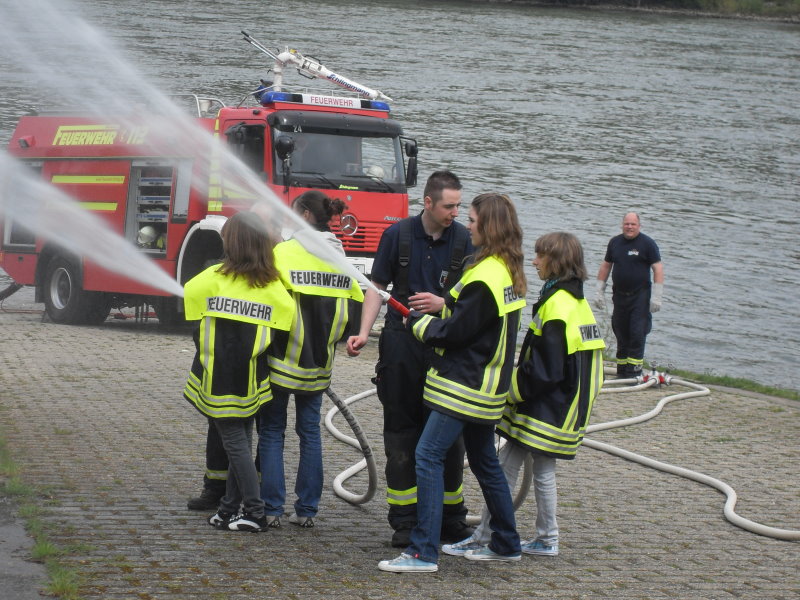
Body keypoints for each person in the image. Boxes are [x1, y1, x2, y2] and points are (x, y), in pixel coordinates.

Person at [378, 192, 527, 573]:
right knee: (484, 461)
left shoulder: (484, 277)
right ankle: (506, 542)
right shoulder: (504, 271)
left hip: (463, 388)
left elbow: (458, 332)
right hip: (489, 390)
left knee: (427, 455)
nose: (468, 224)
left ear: (489, 226)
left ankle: (423, 551)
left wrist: (419, 324)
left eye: (474, 219)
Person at [443, 232, 605, 559]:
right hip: (565, 404)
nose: (533, 261)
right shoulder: (576, 302)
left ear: (555, 262)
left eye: (539, 256)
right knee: (538, 470)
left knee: (505, 468)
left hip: (549, 406)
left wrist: (510, 392)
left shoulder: (557, 306)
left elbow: (546, 370)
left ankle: (490, 535)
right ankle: (544, 538)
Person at [346, 170, 475, 548]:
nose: (455, 212)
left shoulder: (464, 240)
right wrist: (364, 332)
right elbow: (376, 288)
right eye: (449, 206)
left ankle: (451, 518)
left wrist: (444, 302)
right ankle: (404, 519)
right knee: (401, 435)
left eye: (459, 205)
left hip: (443, 345)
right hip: (401, 346)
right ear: (429, 203)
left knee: (448, 437)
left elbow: (473, 299)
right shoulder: (396, 235)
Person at [182, 211, 294, 532]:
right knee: (242, 440)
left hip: (219, 377)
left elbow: (192, 312)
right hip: (252, 379)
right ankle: (230, 508)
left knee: (235, 444)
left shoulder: (212, 278)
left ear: (234, 243)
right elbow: (281, 334)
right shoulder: (275, 287)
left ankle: (255, 511)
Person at [258, 191, 364, 529]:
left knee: (273, 431)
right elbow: (353, 309)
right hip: (319, 366)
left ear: (304, 215)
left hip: (279, 362)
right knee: (310, 433)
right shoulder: (339, 257)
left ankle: (272, 508)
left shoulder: (284, 253)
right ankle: (307, 510)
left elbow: (267, 303)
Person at [594, 212, 664, 378]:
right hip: (619, 295)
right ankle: (622, 371)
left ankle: (634, 373)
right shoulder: (615, 242)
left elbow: (658, 269)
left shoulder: (648, 244)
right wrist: (599, 291)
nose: (629, 227)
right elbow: (606, 266)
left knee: (637, 332)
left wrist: (657, 296)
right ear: (622, 225)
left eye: (633, 224)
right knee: (620, 330)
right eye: (627, 224)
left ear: (639, 226)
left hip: (640, 296)